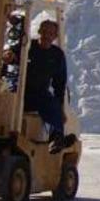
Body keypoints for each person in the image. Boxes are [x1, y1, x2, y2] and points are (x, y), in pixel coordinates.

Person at [24, 20, 68, 153]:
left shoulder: (57, 55)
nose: (46, 36)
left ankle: (56, 137)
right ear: (38, 32)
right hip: (20, 90)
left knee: (52, 104)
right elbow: (10, 55)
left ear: (55, 36)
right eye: (44, 32)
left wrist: (61, 108)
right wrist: (8, 56)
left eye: (50, 34)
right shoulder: (26, 47)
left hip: (39, 93)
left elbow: (59, 84)